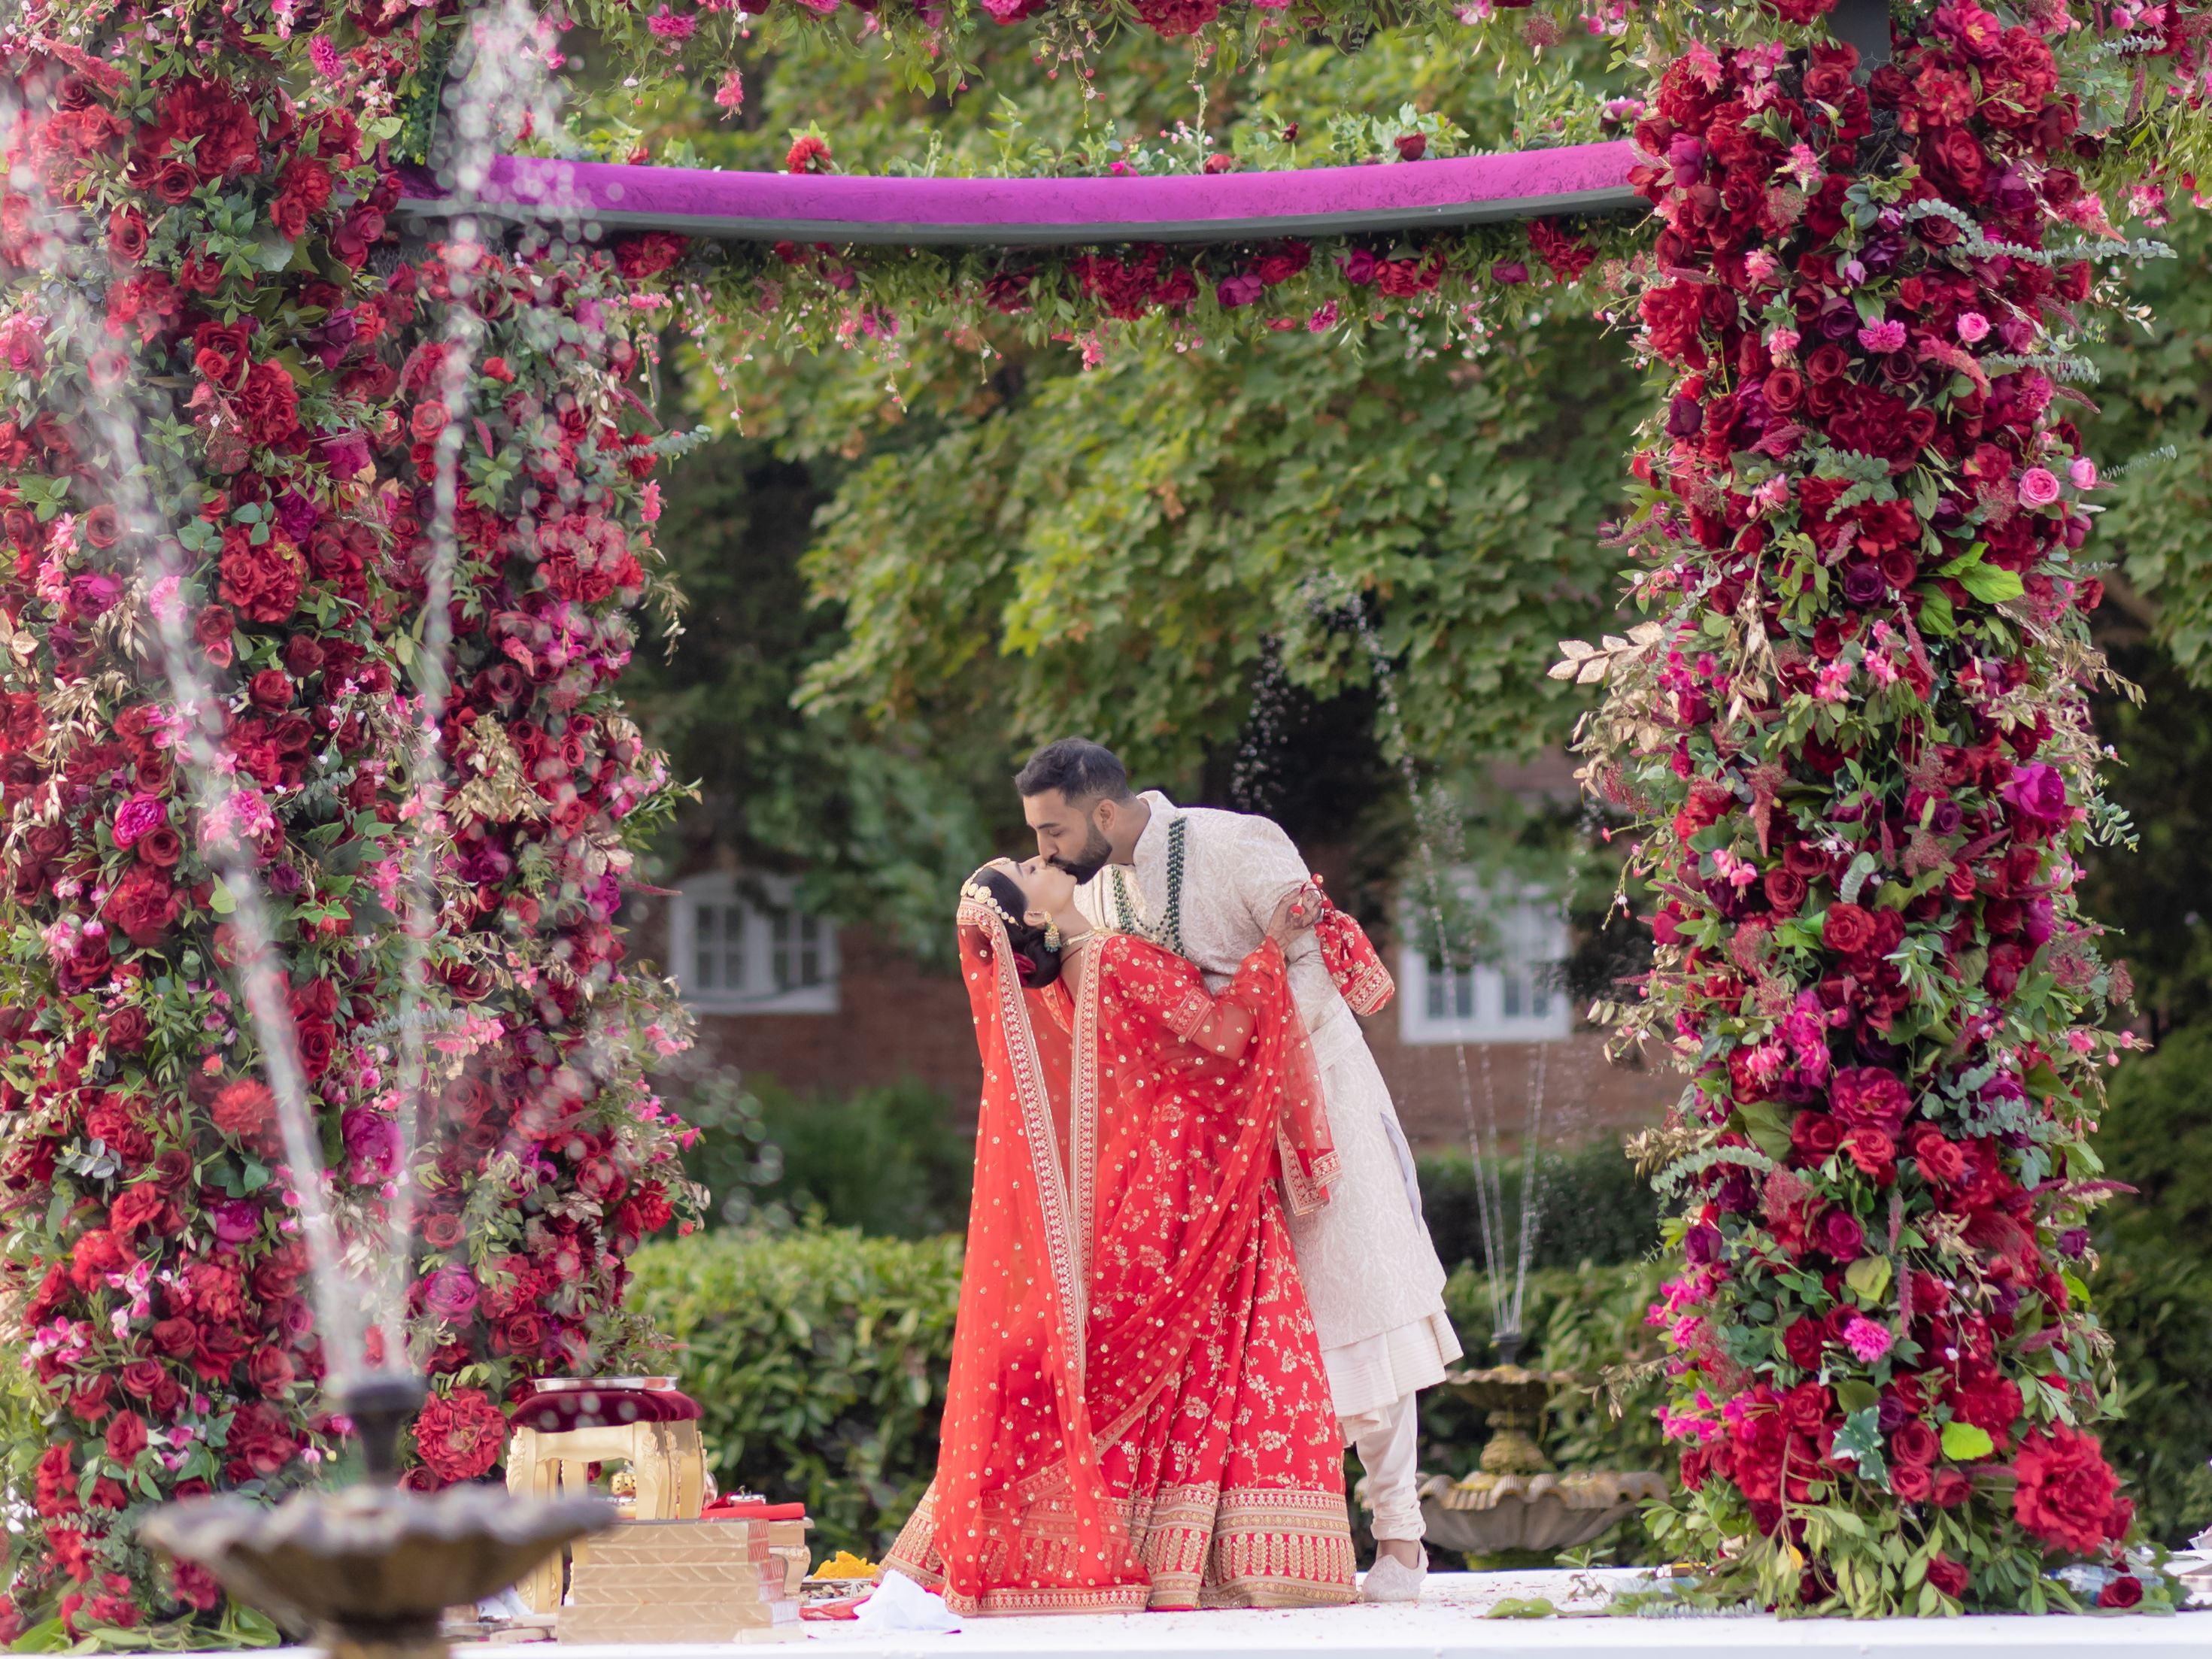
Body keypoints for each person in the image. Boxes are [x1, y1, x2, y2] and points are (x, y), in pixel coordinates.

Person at [1017, 739, 1460, 1604]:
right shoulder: (1102, 888)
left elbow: (1316, 961)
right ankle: (1268, 1547)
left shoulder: (1234, 842)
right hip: (1213, 1135)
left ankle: (1401, 1541)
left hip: (1314, 1093)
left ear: (1102, 813)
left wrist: (1251, 1062)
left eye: (1054, 828)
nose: (1046, 850)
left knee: (1359, 1306)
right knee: (1254, 1339)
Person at [881, 858, 1356, 1615]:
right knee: (1224, 1349)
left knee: (1149, 1359)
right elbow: (1227, 1034)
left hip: (1140, 1178)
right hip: (1194, 1172)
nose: (1039, 858)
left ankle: (1117, 1544)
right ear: (1030, 917)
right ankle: (1217, 1556)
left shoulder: (1069, 979)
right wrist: (1270, 946)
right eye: (1023, 867)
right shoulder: (1113, 955)